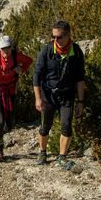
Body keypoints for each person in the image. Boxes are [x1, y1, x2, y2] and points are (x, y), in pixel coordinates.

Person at [32, 20, 86, 170]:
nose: (55, 40)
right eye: (53, 36)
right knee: (44, 127)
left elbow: (80, 78)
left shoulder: (76, 52)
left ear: (68, 35)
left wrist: (81, 101)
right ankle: (42, 152)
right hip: (47, 95)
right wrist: (38, 98)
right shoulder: (47, 50)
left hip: (67, 95)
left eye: (59, 37)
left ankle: (62, 157)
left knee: (66, 126)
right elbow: (36, 75)